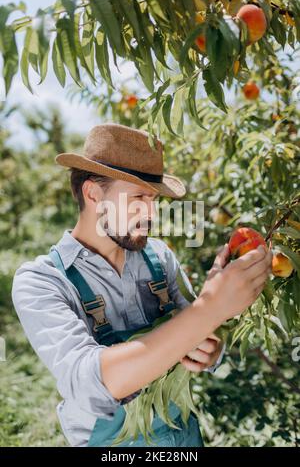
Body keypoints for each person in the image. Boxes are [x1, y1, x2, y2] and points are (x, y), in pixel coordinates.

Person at [11, 123, 272, 447]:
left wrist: (211, 347)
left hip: (182, 437)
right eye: (138, 198)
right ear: (94, 194)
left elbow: (201, 329)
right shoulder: (42, 281)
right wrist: (212, 308)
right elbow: (92, 384)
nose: (150, 213)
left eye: (152, 200)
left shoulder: (159, 257)